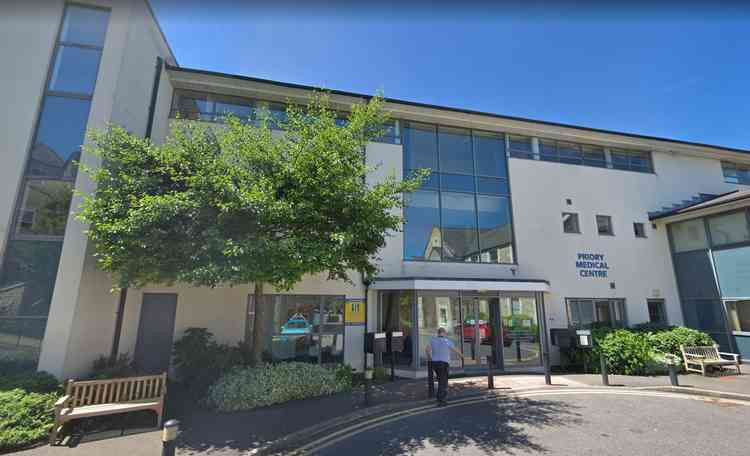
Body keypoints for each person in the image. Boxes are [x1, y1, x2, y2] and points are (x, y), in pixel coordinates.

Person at [425, 327, 464, 406]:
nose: (446, 334)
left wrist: (430, 358)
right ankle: (441, 400)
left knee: (440, 380)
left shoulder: (433, 340)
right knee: (443, 382)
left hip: (435, 363)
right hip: (444, 363)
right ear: (443, 333)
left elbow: (427, 349)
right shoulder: (447, 341)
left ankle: (440, 398)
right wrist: (463, 357)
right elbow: (456, 350)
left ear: (438, 333)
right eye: (445, 333)